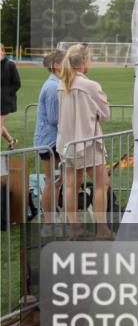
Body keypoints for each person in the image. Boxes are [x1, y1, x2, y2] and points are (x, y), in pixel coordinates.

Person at [57, 44, 110, 223]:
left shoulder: (62, 84)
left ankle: (74, 227)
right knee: (102, 184)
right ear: (84, 61)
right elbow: (105, 114)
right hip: (88, 142)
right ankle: (102, 228)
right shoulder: (90, 85)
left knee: (71, 185)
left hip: (67, 143)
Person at [33, 50, 65, 216]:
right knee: (52, 181)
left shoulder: (55, 84)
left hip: (51, 140)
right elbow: (54, 119)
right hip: (49, 141)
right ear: (56, 66)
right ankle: (48, 219)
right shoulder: (53, 87)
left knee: (56, 181)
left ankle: (52, 215)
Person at [0, 45, 20, 148]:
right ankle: (11, 140)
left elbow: (17, 84)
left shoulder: (10, 64)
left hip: (6, 100)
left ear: (3, 51)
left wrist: (6, 93)